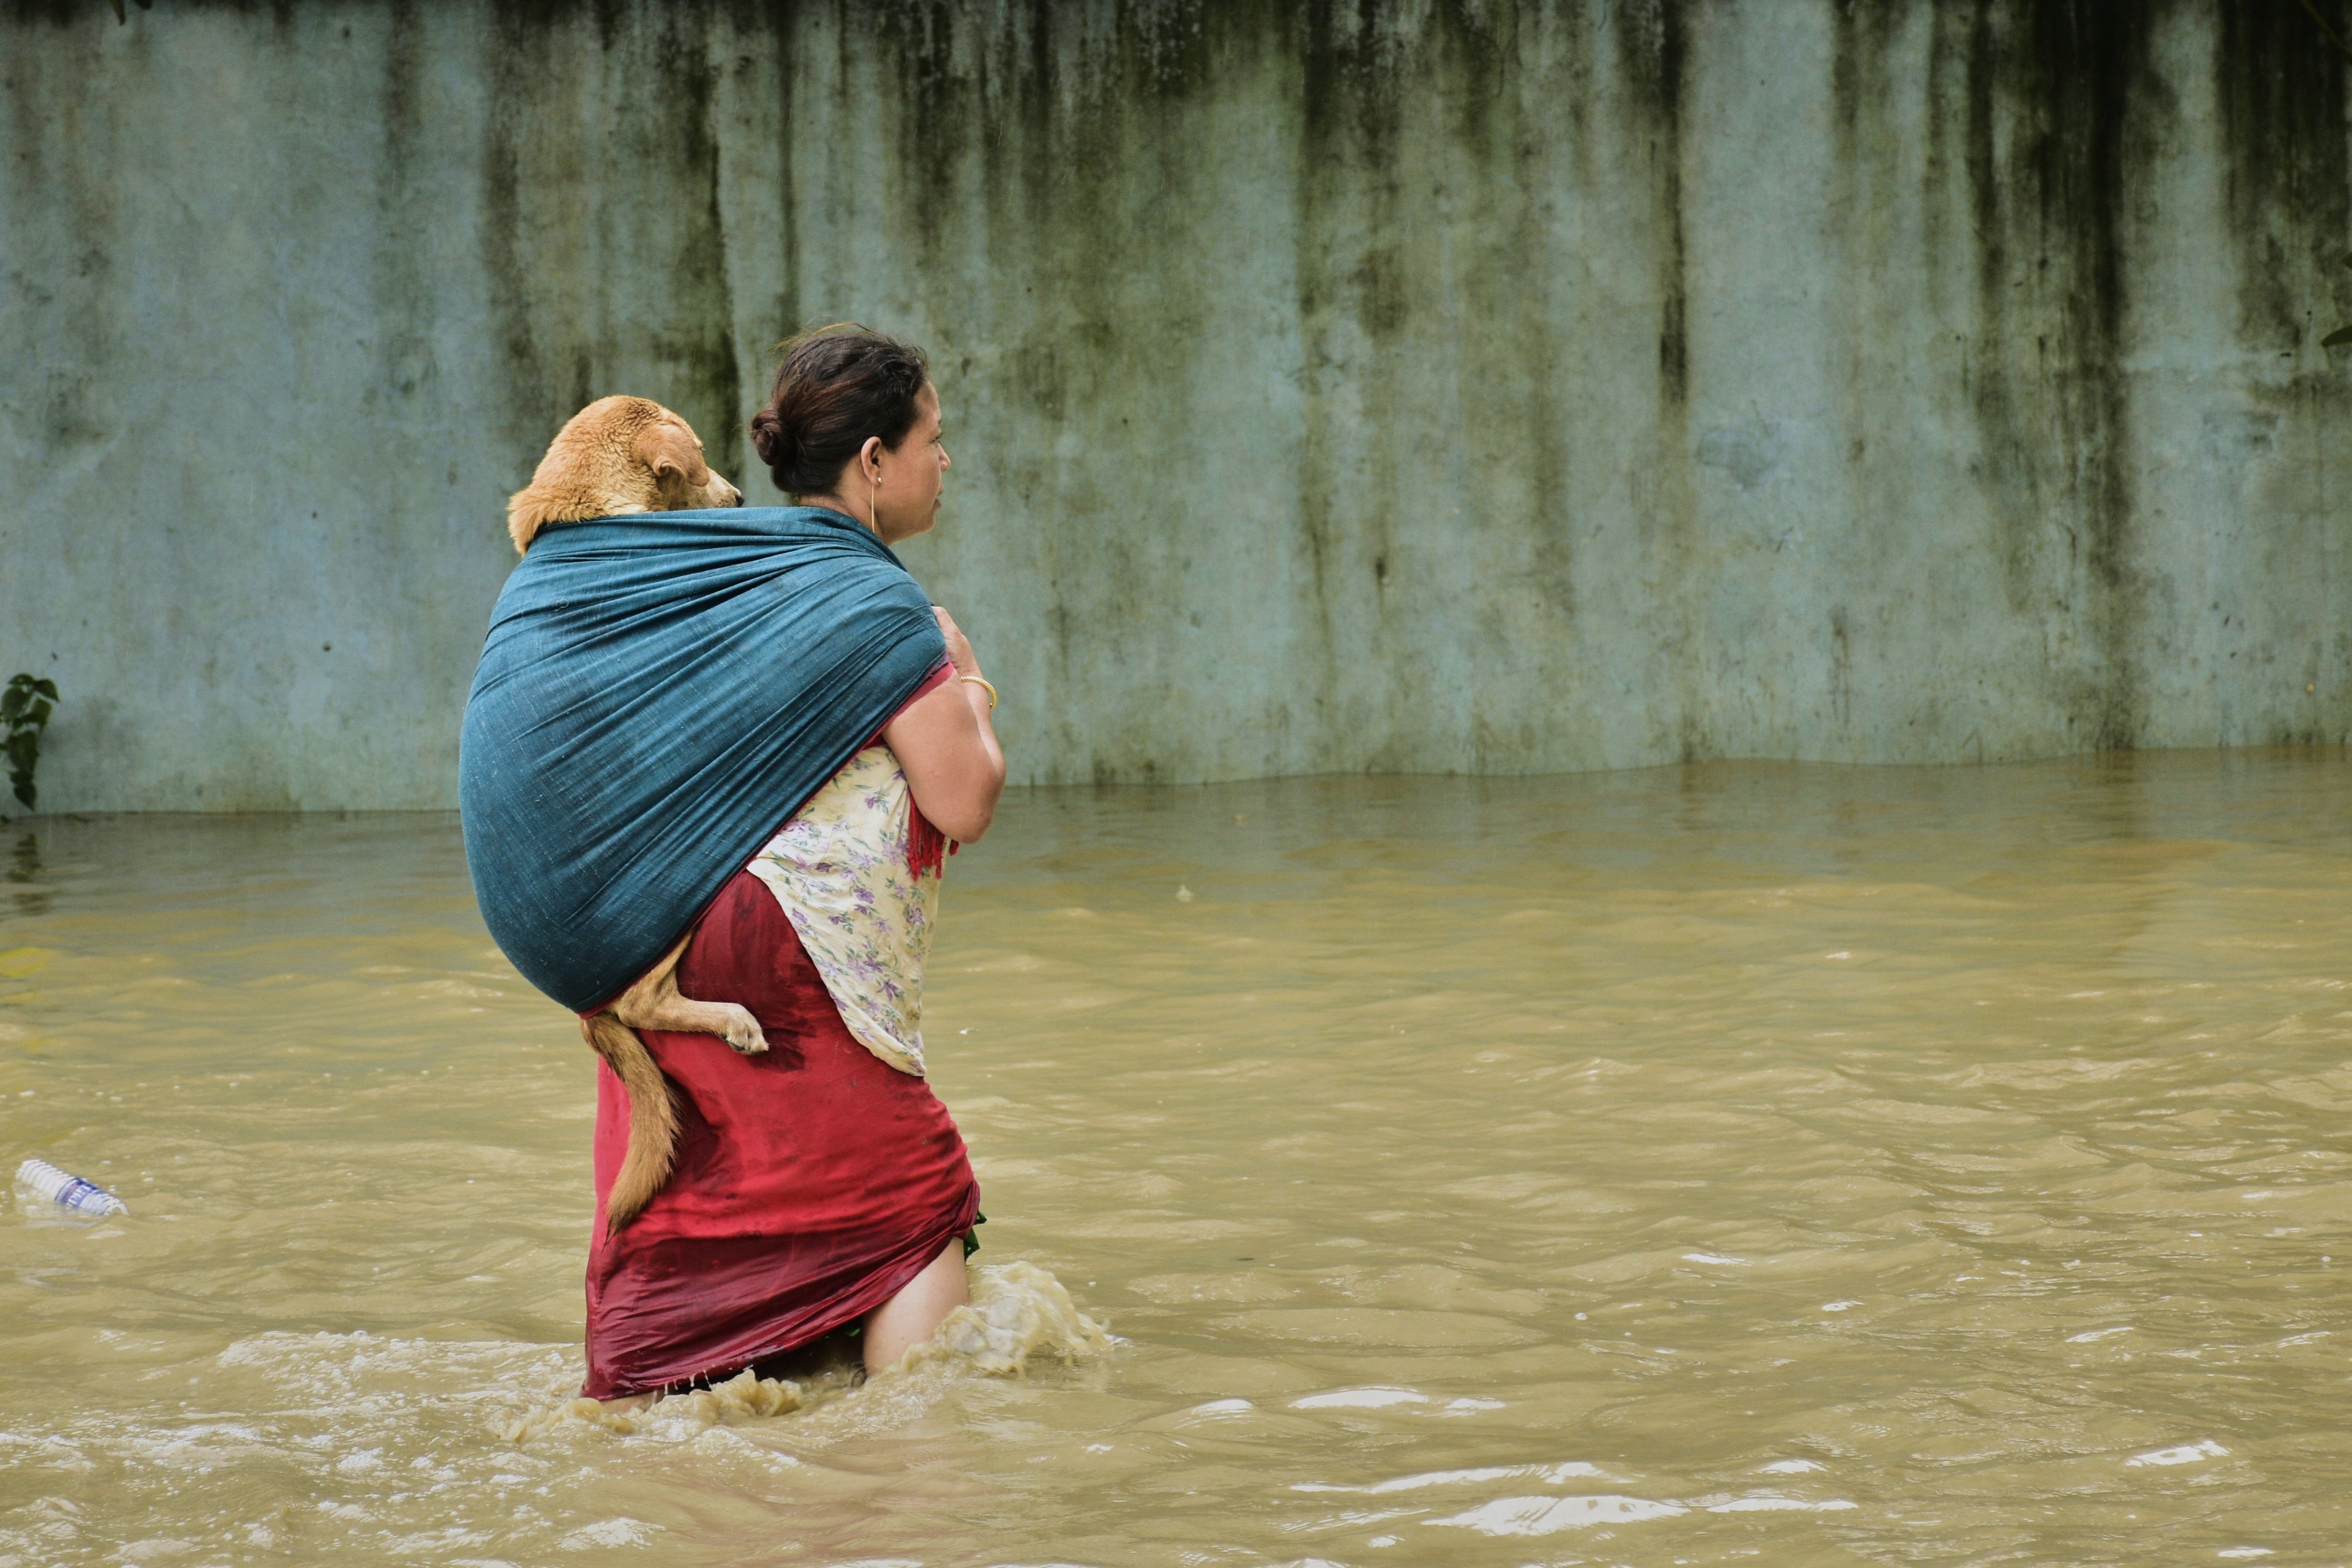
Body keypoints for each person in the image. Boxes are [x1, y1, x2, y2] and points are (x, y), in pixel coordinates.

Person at [579, 325, 1006, 1398]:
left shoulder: (713, 573)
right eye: (933, 440)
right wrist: (967, 680)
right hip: (796, 953)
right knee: (908, 1207)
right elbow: (962, 798)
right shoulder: (876, 599)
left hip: (656, 942)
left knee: (689, 1212)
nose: (944, 462)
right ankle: (903, 1480)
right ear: (873, 461)